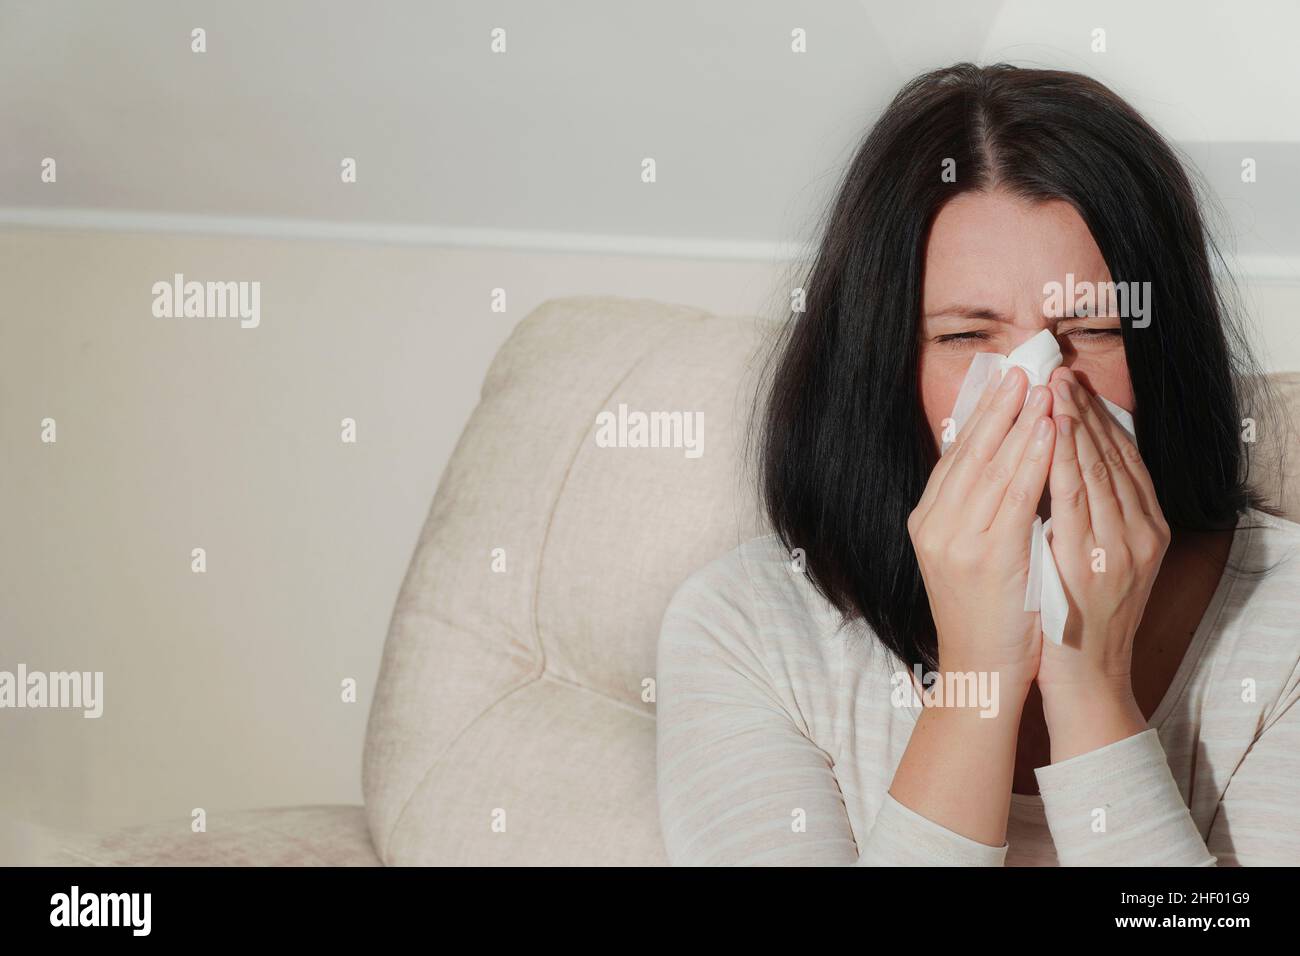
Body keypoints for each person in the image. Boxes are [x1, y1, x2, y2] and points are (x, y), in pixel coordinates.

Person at [655, 63, 1299, 866]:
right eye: (966, 337)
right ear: (882, 367)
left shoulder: (1287, 627)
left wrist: (1091, 685)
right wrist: (977, 684)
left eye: (1093, 329)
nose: (1042, 386)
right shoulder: (749, 629)